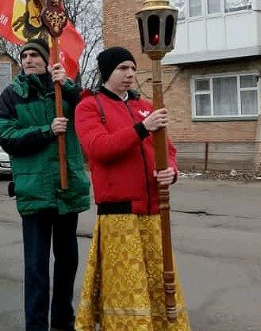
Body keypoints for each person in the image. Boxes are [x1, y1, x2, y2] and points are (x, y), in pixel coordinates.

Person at [73, 46, 190, 330]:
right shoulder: (90, 106)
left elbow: (168, 149)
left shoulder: (145, 107)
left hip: (153, 215)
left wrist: (170, 171)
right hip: (119, 216)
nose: (130, 74)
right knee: (128, 290)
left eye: (132, 68)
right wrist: (142, 129)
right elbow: (99, 149)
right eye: (122, 69)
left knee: (159, 287)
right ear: (107, 72)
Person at [0, 38, 91, 331]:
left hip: (66, 188)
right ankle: (36, 325)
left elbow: (92, 111)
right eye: (23, 56)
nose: (27, 60)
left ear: (46, 61)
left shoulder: (63, 89)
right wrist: (46, 131)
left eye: (34, 55)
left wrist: (70, 86)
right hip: (34, 191)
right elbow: (8, 137)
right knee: (37, 268)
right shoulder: (11, 95)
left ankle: (62, 320)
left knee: (67, 262)